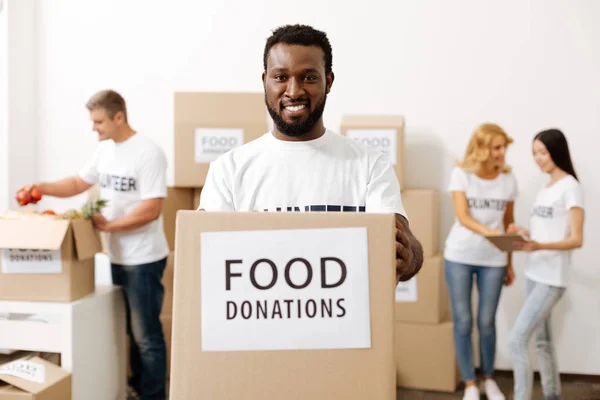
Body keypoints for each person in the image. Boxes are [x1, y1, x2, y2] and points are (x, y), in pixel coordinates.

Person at [198, 24, 423, 283]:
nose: (293, 91)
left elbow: (402, 242)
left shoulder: (370, 165)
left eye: (308, 77)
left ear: (328, 82)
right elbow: (210, 262)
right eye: (281, 77)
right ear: (265, 82)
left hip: (342, 322)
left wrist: (409, 256)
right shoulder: (229, 169)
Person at [17, 90, 169, 400]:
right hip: (117, 254)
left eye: (98, 121)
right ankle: (137, 390)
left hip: (143, 259)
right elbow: (77, 183)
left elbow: (152, 208)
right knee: (130, 331)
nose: (93, 127)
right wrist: (41, 188)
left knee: (146, 337)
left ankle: (153, 396)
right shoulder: (106, 151)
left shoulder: (148, 152)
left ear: (118, 117)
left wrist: (109, 226)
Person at [508, 129, 584, 400]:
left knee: (516, 340)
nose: (538, 159)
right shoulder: (545, 188)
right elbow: (545, 231)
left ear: (556, 150)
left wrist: (540, 246)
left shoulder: (570, 187)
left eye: (542, 152)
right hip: (533, 272)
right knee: (542, 341)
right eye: (534, 154)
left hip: (552, 278)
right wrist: (524, 233)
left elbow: (576, 239)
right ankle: (553, 395)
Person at [443, 123, 518, 400]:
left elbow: (508, 223)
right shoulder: (461, 174)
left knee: (487, 321)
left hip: (494, 260)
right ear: (483, 148)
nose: (502, 153)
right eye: (497, 147)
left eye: (504, 147)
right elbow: (463, 217)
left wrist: (509, 261)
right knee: (463, 321)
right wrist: (492, 233)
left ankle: (488, 378)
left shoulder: (509, 179)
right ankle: (470, 384)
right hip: (460, 256)